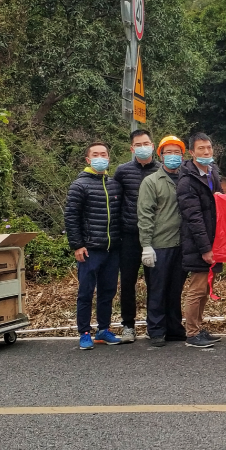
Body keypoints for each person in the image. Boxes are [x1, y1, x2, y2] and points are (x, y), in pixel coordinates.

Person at [64, 142, 124, 350]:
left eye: (104, 154)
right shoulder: (79, 185)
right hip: (89, 249)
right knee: (86, 292)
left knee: (108, 291)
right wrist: (77, 245)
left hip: (112, 249)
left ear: (108, 158)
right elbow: (71, 217)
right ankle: (84, 332)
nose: (100, 158)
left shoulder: (114, 184)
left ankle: (103, 330)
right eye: (96, 155)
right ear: (88, 159)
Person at [137, 136, 187, 348]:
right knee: (157, 289)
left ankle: (174, 328)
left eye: (177, 152)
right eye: (169, 152)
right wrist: (146, 245)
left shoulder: (186, 179)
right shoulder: (151, 182)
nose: (173, 156)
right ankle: (156, 329)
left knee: (175, 289)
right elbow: (145, 214)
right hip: (159, 244)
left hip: (181, 244)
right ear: (161, 155)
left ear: (183, 156)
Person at [176, 133, 224, 348]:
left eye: (209, 148)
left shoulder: (213, 173)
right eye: (201, 148)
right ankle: (192, 333)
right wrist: (205, 248)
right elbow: (193, 217)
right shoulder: (187, 181)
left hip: (214, 239)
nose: (206, 152)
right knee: (197, 289)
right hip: (198, 243)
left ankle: (198, 327)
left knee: (205, 288)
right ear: (191, 152)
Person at [113, 129, 161, 343]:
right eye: (138, 145)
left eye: (146, 144)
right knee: (127, 282)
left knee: (155, 282)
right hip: (129, 236)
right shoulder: (122, 171)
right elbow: (116, 202)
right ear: (132, 148)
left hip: (155, 236)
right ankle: (128, 326)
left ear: (153, 145)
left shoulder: (161, 170)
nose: (143, 148)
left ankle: (154, 324)